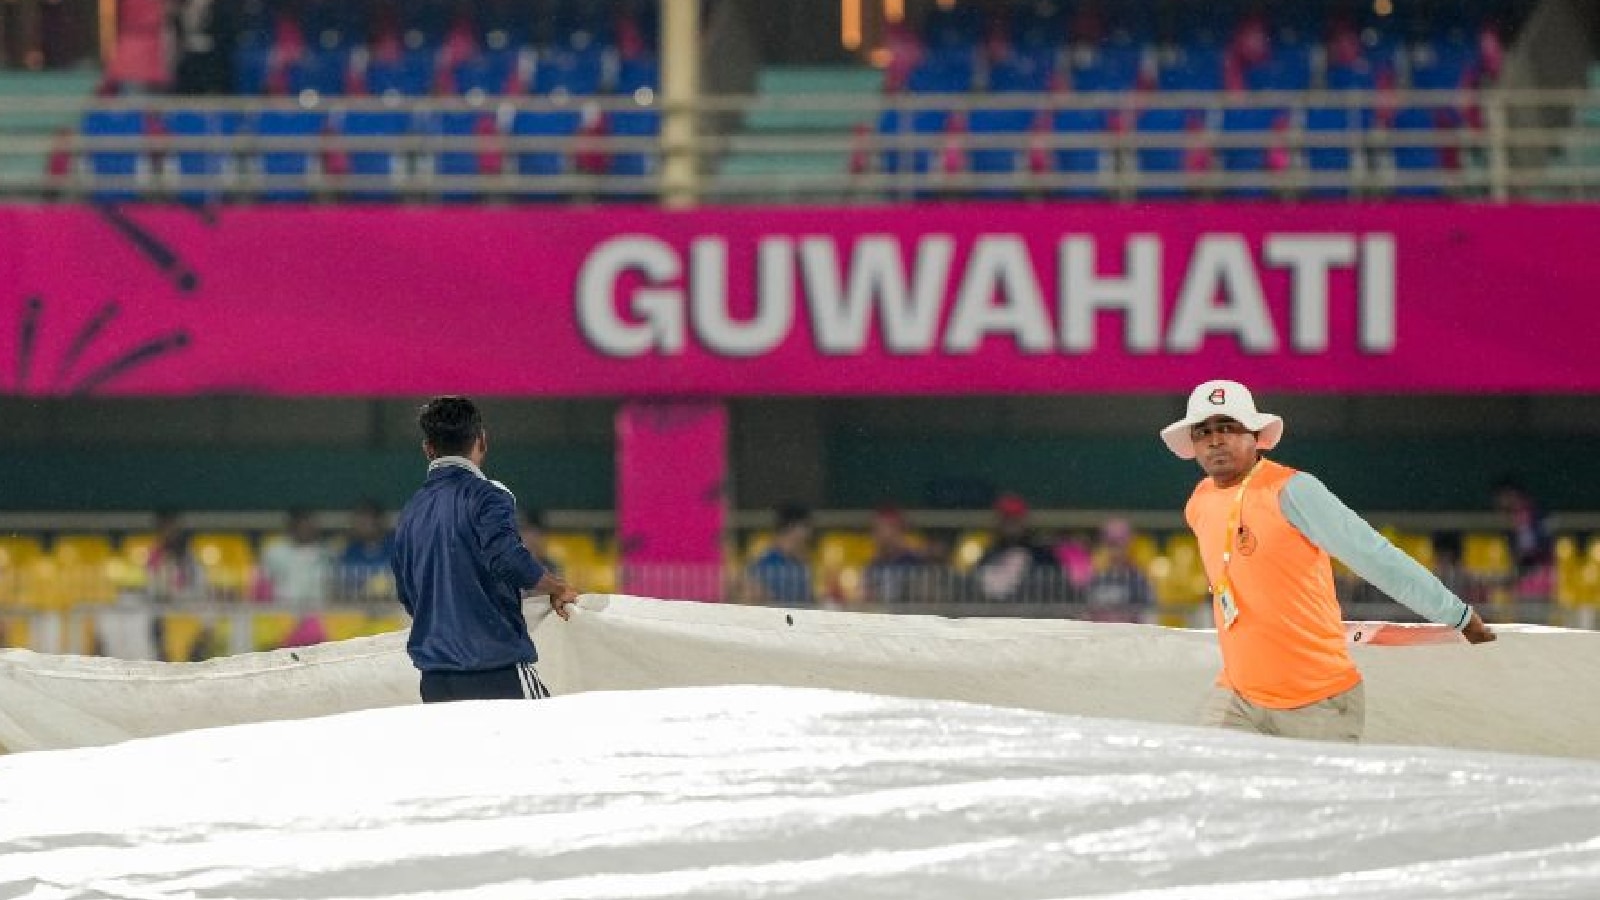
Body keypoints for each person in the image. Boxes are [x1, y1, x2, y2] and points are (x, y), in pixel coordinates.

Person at [1161, 379, 1495, 743]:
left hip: (1317, 705)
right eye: (1203, 431)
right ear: (1192, 445)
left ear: (1255, 434)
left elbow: (1375, 558)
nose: (1215, 439)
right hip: (1237, 697)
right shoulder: (1199, 502)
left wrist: (1457, 615)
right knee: (1209, 792)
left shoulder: (1293, 491)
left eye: (1228, 426)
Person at [392, 396, 578, 703]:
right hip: (494, 666)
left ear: (428, 449)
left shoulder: (411, 510)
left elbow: (407, 591)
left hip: (436, 678)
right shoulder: (489, 495)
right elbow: (507, 558)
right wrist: (556, 587)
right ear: (482, 441)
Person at [974, 493, 1061, 601]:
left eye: (1015, 519)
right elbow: (976, 584)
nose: (1010, 524)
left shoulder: (1041, 553)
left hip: (1033, 612)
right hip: (997, 613)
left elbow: (1055, 585)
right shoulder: (990, 553)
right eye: (1006, 518)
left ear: (1023, 520)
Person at [259, 508, 333, 613]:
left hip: (320, 612)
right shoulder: (274, 552)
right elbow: (263, 585)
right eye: (301, 525)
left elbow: (332, 587)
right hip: (281, 611)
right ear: (291, 526)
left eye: (309, 525)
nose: (305, 529)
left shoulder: (326, 554)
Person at [1082, 517, 1155, 623]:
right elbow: (1087, 613)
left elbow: (1148, 616)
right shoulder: (1096, 578)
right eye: (1111, 544)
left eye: (1119, 544)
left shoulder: (1138, 579)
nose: (1115, 550)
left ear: (1128, 544)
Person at [744, 503, 815, 607]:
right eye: (806, 527)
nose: (809, 534)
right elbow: (751, 600)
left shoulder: (801, 567)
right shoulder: (763, 566)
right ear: (793, 527)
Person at [861, 506, 927, 604]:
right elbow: (868, 600)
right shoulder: (873, 565)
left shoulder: (916, 562)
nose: (876, 535)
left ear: (899, 530)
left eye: (884, 528)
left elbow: (923, 599)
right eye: (875, 529)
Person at [340, 498, 397, 601]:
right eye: (358, 522)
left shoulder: (397, 547)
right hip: (359, 606)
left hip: (395, 607)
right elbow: (344, 583)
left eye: (365, 521)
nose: (361, 526)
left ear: (379, 521)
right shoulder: (351, 551)